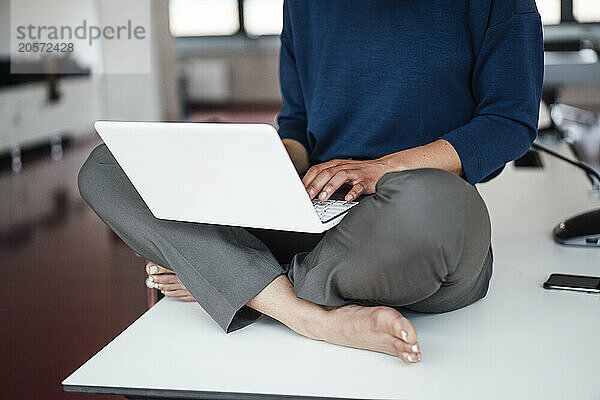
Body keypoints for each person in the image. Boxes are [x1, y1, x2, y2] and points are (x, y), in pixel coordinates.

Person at [78, 0, 543, 364]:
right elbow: (298, 124)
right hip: (309, 208)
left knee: (442, 213)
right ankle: (306, 316)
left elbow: (509, 122)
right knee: (106, 166)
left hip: (406, 216)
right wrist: (270, 166)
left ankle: (233, 274)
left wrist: (381, 169)